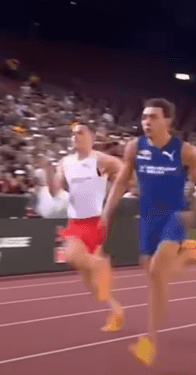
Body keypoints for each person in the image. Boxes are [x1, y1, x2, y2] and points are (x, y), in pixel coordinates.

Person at [101, 98, 196, 366]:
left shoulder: (186, 152)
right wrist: (106, 212)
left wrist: (194, 211)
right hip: (148, 220)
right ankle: (185, 256)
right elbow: (121, 182)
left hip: (174, 217)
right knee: (155, 280)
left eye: (153, 117)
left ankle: (150, 340)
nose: (146, 122)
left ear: (168, 121)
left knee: (155, 271)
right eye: (144, 117)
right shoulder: (135, 147)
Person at [45, 123, 125, 332]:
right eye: (73, 134)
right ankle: (116, 311)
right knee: (92, 284)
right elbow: (55, 191)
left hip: (94, 222)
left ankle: (99, 264)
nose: (76, 137)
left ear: (91, 136)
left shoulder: (102, 160)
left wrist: (112, 198)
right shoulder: (66, 162)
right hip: (75, 222)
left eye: (80, 133)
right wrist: (47, 171)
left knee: (70, 256)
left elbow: (125, 176)